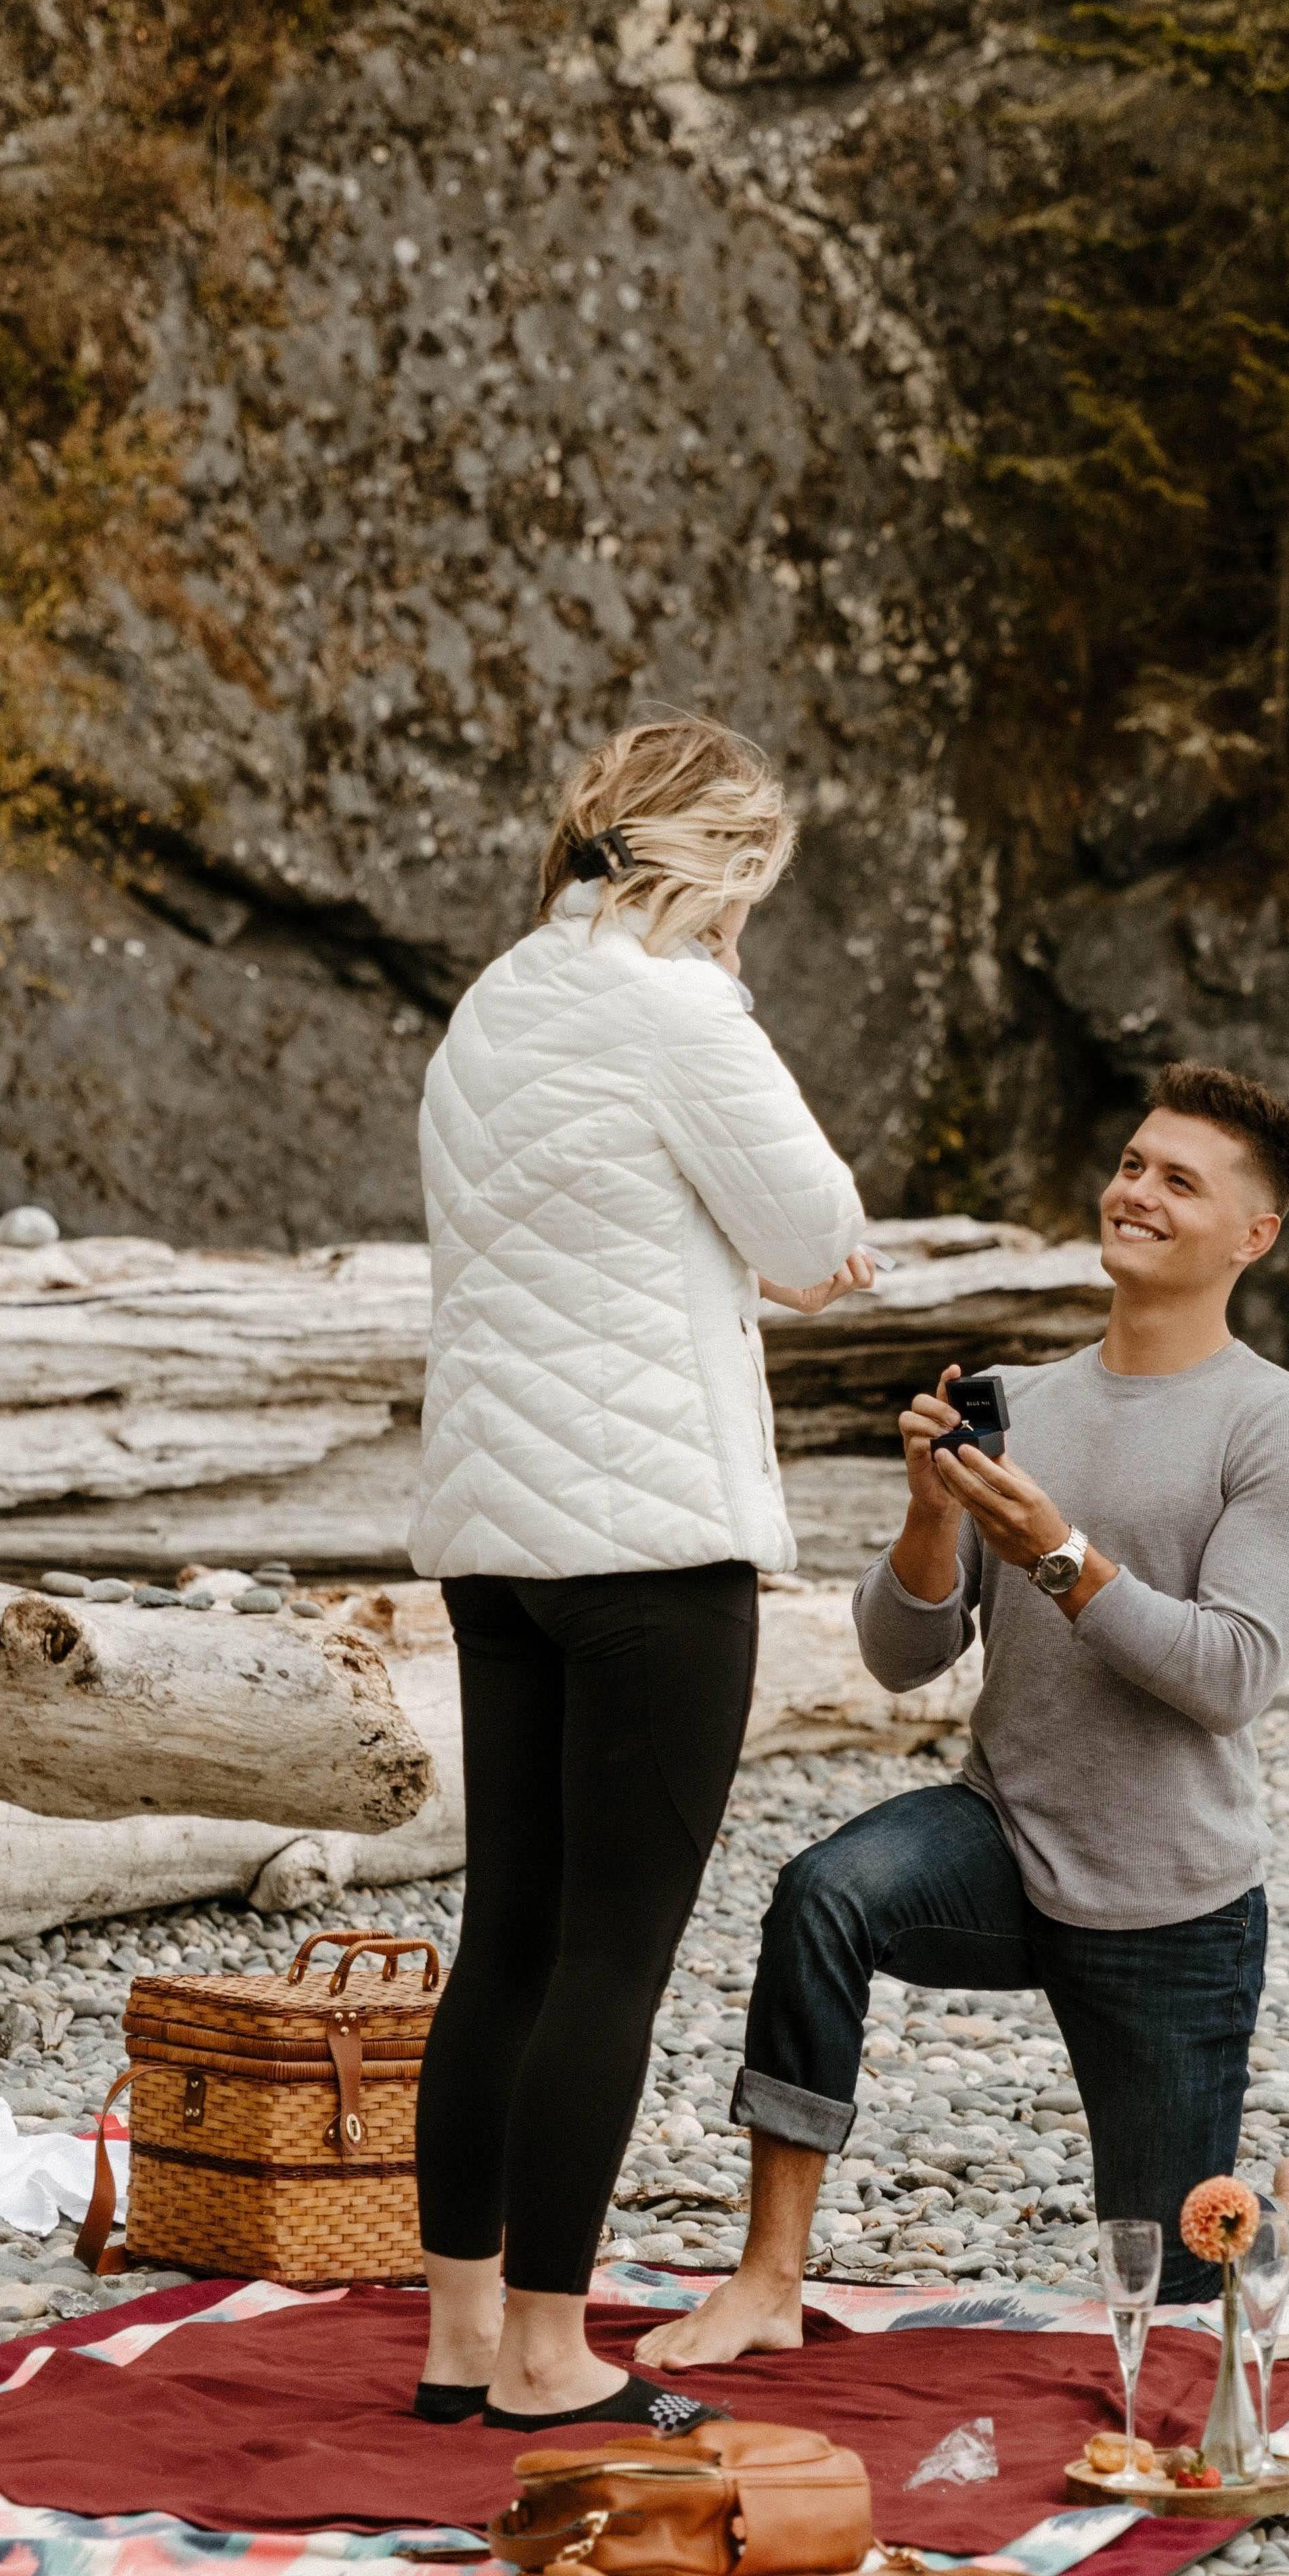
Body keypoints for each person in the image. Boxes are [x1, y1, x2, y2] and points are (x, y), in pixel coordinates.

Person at [638, 1062, 1289, 2367]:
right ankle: (766, 2277)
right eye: (1134, 1164)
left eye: (1179, 1182)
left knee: (1167, 2298)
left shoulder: (1285, 1429)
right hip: (1001, 1839)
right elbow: (899, 1659)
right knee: (824, 1893)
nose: (1135, 1192)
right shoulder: (1022, 1404)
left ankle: (1288, 2210)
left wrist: (1060, 1554)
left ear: (1253, 1238)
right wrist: (931, 1514)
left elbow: (1229, 1675)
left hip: (1171, 1902)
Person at [406, 714, 880, 2433]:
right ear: (721, 858)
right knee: (614, 1952)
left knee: (507, 1940)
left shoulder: (491, 1007)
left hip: (492, 1538)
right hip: (655, 1540)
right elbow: (820, 1236)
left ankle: (462, 2336)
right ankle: (550, 2349)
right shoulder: (678, 1008)